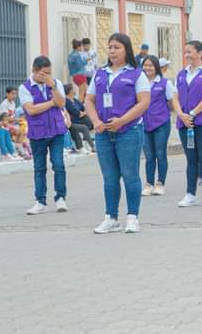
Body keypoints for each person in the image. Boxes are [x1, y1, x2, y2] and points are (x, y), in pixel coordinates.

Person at [87, 33, 151, 234]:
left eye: (117, 47)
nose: (113, 51)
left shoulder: (136, 74)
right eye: (110, 47)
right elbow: (89, 100)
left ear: (126, 50)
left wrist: (122, 120)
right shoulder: (100, 73)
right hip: (104, 133)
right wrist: (96, 121)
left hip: (129, 131)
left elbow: (144, 102)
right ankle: (111, 218)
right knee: (109, 177)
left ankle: (132, 217)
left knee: (130, 174)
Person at [171, 40, 202, 208]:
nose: (186, 55)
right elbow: (175, 97)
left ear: (200, 53)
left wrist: (192, 113)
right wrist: (181, 114)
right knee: (191, 159)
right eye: (185, 52)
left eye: (190, 51)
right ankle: (190, 194)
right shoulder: (181, 74)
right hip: (185, 123)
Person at [19, 56, 68, 214]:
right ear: (34, 70)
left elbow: (62, 103)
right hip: (37, 132)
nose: (47, 76)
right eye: (43, 73)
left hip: (56, 130)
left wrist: (53, 87)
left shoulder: (55, 83)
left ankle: (60, 198)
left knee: (58, 164)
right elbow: (31, 110)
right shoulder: (25, 88)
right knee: (39, 168)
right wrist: (52, 103)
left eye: (49, 73)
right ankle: (40, 201)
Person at [140, 55, 173, 197]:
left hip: (161, 124)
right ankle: (149, 184)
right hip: (144, 124)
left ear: (156, 67)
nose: (147, 68)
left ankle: (160, 183)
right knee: (149, 156)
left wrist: (161, 112)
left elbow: (172, 102)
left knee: (160, 154)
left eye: (150, 65)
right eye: (145, 65)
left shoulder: (165, 83)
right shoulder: (139, 83)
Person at [64, 82, 94, 154]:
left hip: (81, 119)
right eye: (74, 88)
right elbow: (77, 113)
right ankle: (92, 146)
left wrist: (83, 113)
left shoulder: (75, 100)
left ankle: (91, 139)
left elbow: (84, 108)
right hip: (73, 122)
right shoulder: (67, 101)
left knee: (90, 118)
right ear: (70, 91)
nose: (75, 90)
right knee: (85, 126)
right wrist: (83, 113)